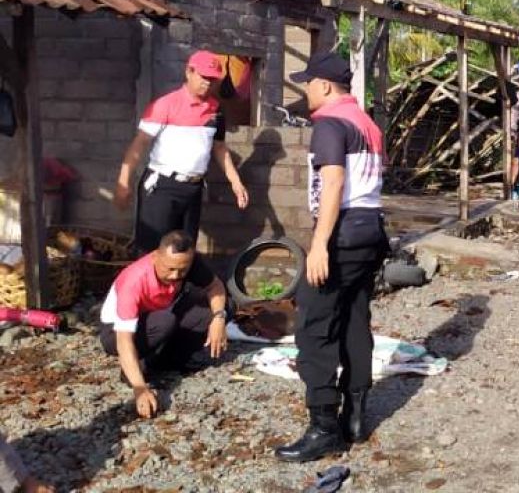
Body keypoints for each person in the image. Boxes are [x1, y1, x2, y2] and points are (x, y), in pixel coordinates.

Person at [277, 52, 390, 463]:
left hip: (342, 233)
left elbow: (334, 182)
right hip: (370, 231)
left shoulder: (329, 123)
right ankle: (356, 418)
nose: (305, 89)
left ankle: (324, 427)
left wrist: (320, 243)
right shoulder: (367, 123)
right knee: (354, 319)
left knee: (314, 325)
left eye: (308, 82)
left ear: (325, 86)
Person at [114, 50, 249, 255]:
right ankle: (147, 287)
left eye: (213, 79)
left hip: (193, 188)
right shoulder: (165, 105)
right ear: (189, 72)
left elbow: (220, 148)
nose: (208, 83)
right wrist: (123, 182)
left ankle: (179, 288)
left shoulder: (216, 110)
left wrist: (236, 182)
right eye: (204, 77)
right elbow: (139, 144)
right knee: (152, 250)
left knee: (184, 250)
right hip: (162, 187)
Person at [98, 230, 228, 419]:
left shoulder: (189, 263)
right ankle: (135, 369)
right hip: (116, 332)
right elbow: (124, 340)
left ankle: (166, 361)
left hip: (160, 316)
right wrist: (140, 388)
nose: (176, 275)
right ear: (155, 256)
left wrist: (219, 318)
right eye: (170, 269)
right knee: (164, 322)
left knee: (222, 307)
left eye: (182, 270)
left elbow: (215, 287)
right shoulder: (134, 280)